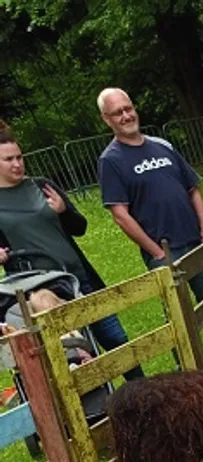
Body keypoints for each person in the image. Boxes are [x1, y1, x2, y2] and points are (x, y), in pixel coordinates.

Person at [0, 120, 144, 380]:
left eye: (19, 157)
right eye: (8, 159)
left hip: (80, 279)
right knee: (76, 355)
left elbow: (80, 227)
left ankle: (143, 394)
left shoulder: (41, 185)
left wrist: (63, 211)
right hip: (42, 295)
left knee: (116, 339)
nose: (17, 164)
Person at [96, 88, 203, 350]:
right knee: (179, 320)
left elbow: (193, 189)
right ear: (106, 120)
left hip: (194, 241)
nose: (126, 115)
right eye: (117, 113)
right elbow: (120, 215)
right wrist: (156, 252)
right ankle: (190, 376)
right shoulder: (111, 161)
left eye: (128, 108)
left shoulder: (163, 146)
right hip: (164, 250)